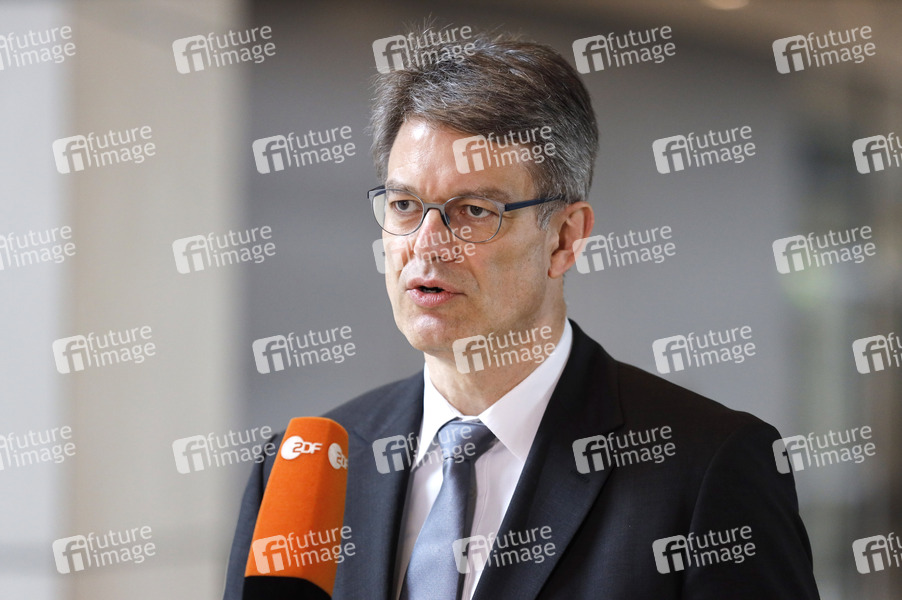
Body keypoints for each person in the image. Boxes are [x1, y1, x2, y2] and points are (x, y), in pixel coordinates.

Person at [224, 31, 820, 600]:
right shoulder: (302, 472)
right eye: (405, 205)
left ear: (564, 238)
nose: (426, 245)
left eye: (474, 211)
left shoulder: (707, 467)